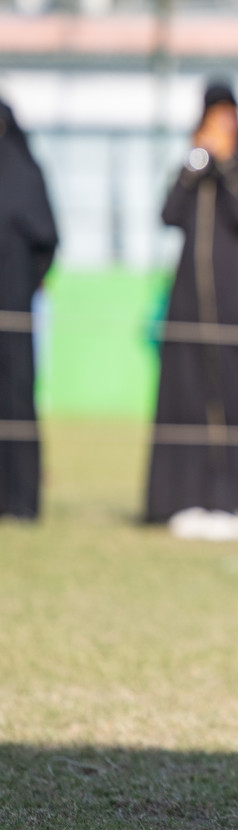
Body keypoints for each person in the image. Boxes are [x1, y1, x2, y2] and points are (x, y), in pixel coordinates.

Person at [145, 82, 238, 536]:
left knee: (235, 398)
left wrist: (223, 163)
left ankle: (237, 500)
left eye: (226, 119)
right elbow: (168, 215)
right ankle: (182, 499)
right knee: (185, 399)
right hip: (187, 305)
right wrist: (193, 163)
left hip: (237, 306)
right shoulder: (195, 167)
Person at [0, 97, 58, 520]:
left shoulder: (25, 174)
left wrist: (23, 286)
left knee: (16, 394)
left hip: (15, 305)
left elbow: (47, 241)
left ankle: (19, 498)